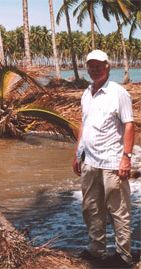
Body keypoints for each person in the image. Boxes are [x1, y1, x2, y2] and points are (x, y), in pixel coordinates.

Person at [73, 50, 135, 267]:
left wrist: (126, 158)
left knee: (118, 210)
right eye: (91, 65)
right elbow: (84, 124)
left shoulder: (118, 93)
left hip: (112, 162)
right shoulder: (86, 93)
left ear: (108, 66)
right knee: (91, 208)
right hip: (89, 161)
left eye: (99, 65)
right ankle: (96, 249)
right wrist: (78, 153)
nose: (94, 69)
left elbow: (129, 124)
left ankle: (123, 255)